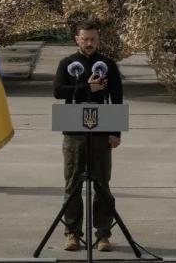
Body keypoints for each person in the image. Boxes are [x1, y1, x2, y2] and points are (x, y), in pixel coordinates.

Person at [53, 19, 123, 252]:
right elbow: (57, 91)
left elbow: (117, 98)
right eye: (85, 39)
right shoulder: (66, 63)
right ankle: (72, 233)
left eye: (93, 39)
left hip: (102, 131)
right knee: (72, 183)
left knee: (102, 184)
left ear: (98, 39)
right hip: (74, 131)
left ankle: (103, 234)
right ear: (77, 39)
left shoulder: (108, 64)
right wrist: (85, 87)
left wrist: (115, 132)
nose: (89, 43)